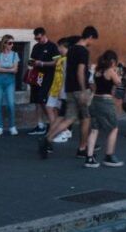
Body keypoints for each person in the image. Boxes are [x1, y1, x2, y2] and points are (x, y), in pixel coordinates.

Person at [38, 26, 98, 159]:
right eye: (93, 40)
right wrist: (83, 90)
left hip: (69, 89)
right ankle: (82, 148)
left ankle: (48, 139)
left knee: (69, 118)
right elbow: (80, 71)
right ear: (90, 37)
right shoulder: (83, 51)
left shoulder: (71, 51)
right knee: (86, 118)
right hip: (79, 89)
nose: (92, 43)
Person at [84, 50, 125, 168]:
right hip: (106, 102)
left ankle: (89, 158)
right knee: (113, 128)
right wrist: (119, 74)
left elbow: (92, 85)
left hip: (95, 100)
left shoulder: (97, 71)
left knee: (94, 129)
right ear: (112, 61)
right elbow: (119, 83)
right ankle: (109, 156)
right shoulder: (110, 71)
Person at [26, 27, 60, 136]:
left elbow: (56, 62)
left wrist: (42, 63)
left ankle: (53, 124)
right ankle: (40, 125)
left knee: (43, 99)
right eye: (36, 39)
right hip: (37, 75)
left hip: (48, 76)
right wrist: (31, 62)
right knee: (36, 100)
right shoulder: (36, 46)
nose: (38, 40)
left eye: (39, 38)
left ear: (44, 35)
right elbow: (32, 60)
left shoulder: (52, 46)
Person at [45, 37, 75, 143]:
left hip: (60, 90)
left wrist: (61, 91)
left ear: (65, 47)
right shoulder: (61, 58)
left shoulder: (67, 60)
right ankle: (57, 130)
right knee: (52, 109)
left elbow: (65, 77)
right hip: (55, 88)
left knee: (56, 111)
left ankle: (63, 131)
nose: (58, 49)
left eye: (60, 46)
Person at [0, 35, 20, 135]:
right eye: (10, 43)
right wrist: (10, 69)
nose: (12, 45)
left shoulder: (15, 55)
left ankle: (12, 126)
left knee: (11, 104)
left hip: (10, 83)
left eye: (13, 43)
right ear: (4, 43)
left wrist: (2, 69)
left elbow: (15, 70)